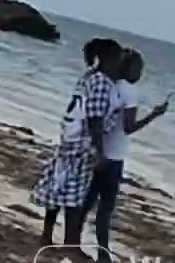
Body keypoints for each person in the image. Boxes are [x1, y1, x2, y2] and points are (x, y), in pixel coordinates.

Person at [78, 48, 168, 262]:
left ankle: (72, 239)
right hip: (114, 156)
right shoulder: (130, 92)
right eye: (140, 68)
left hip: (97, 149)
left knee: (87, 201)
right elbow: (128, 127)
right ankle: (103, 254)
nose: (141, 73)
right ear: (132, 68)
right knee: (106, 207)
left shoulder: (109, 85)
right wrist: (153, 115)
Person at [33, 38, 124, 248]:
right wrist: (100, 151)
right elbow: (95, 119)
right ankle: (70, 244)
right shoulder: (102, 83)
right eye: (118, 60)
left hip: (69, 137)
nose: (119, 65)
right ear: (109, 59)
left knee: (59, 186)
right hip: (84, 143)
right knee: (76, 196)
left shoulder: (88, 77)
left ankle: (46, 235)